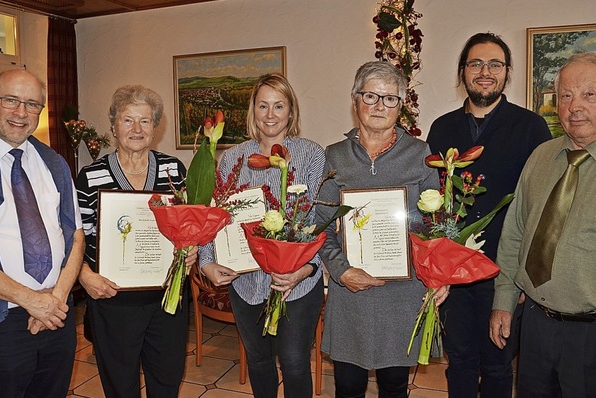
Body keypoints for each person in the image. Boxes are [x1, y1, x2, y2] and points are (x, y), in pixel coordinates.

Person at [490, 51, 596, 397]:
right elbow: (516, 233)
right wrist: (504, 299)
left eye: (589, 95)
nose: (574, 106)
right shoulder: (542, 156)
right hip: (535, 326)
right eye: (565, 95)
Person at [426, 32, 551, 397]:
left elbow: (541, 207)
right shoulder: (442, 128)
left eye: (494, 64)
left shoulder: (531, 128)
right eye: (476, 63)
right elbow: (431, 200)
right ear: (462, 71)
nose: (485, 71)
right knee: (460, 361)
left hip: (504, 272)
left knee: (499, 366)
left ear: (507, 72)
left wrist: (524, 275)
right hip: (455, 273)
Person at [315, 61, 449, 398]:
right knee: (347, 385)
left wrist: (439, 275)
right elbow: (321, 224)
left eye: (390, 99)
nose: (379, 106)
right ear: (355, 99)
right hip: (351, 292)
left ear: (400, 106)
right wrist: (341, 271)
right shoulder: (334, 156)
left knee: (394, 385)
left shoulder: (420, 155)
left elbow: (437, 225)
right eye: (371, 96)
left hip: (402, 293)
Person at [198, 73, 325, 398]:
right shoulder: (233, 157)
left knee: (296, 363)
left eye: (278, 106)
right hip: (247, 283)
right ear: (253, 110)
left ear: (291, 111)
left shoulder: (311, 154)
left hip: (296, 282)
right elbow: (217, 214)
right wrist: (207, 262)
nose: (270, 114)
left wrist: (305, 269)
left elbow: (318, 220)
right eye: (263, 105)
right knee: (258, 361)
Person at [75, 85, 192, 398]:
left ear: (155, 127)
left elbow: (186, 228)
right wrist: (85, 277)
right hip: (112, 297)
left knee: (167, 380)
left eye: (145, 121)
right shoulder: (90, 176)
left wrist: (189, 251)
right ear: (114, 126)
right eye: (128, 120)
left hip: (167, 297)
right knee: (120, 385)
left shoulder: (174, 170)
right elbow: (76, 239)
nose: (136, 129)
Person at [0, 69, 85, 397]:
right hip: (0, 317)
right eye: (11, 100)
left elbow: (76, 236)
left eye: (32, 104)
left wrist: (54, 300)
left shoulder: (53, 162)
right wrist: (30, 301)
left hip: (57, 312)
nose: (21, 113)